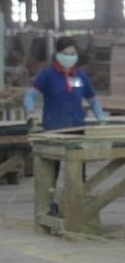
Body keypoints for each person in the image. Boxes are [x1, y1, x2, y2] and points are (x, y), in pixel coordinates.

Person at [23, 36, 106, 215]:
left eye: (73, 54)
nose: (70, 57)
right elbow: (30, 96)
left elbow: (92, 99)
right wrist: (30, 112)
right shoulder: (48, 75)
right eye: (66, 53)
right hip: (53, 131)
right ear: (58, 54)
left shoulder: (81, 76)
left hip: (76, 130)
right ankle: (49, 207)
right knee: (50, 172)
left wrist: (101, 117)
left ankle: (76, 207)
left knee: (77, 172)